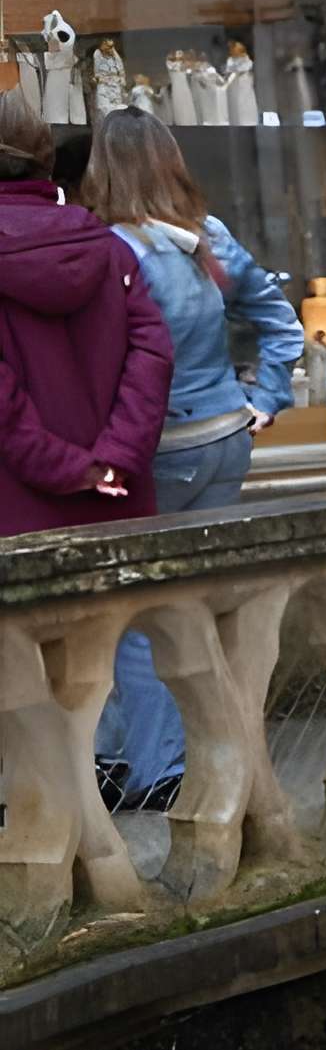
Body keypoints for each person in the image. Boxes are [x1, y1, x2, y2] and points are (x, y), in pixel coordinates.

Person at [84, 109, 304, 810]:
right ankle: (201, 751)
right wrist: (264, 399)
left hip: (162, 449)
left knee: (136, 618)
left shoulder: (114, 251)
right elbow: (281, 323)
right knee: (195, 607)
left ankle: (148, 765)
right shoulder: (209, 241)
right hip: (224, 438)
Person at [0, 91, 168, 543]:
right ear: (46, 160)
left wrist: (77, 469)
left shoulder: (110, 248)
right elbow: (152, 357)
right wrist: (112, 459)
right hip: (119, 504)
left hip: (18, 525)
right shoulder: (111, 248)